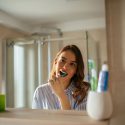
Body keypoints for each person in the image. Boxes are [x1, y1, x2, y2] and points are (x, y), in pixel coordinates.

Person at [32, 44, 90, 110]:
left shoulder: (84, 92)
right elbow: (37, 119)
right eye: (62, 61)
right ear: (56, 62)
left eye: (72, 64)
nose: (65, 67)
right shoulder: (40, 91)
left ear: (76, 71)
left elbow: (75, 120)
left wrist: (61, 95)